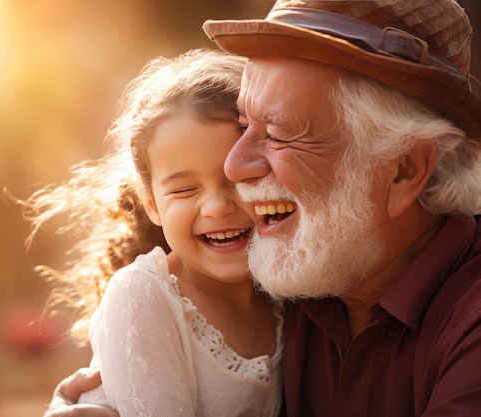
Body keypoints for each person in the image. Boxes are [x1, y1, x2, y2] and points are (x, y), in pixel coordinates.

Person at [49, 0, 481, 416]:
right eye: (244, 125)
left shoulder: (466, 323)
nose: (235, 166)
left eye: (279, 133)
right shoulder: (290, 281)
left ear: (403, 169)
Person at [23, 49, 284, 417]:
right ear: (152, 205)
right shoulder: (143, 296)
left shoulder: (285, 294)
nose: (216, 206)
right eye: (183, 190)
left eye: (238, 179)